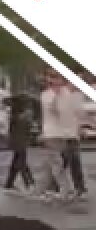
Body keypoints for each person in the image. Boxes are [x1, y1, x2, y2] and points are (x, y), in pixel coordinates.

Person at [38, 70, 84, 199]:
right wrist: (58, 96)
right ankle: (62, 190)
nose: (59, 83)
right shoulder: (46, 95)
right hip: (51, 134)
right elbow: (55, 110)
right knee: (57, 163)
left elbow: (74, 112)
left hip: (63, 134)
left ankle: (46, 190)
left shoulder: (67, 94)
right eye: (55, 79)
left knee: (55, 163)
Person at [5, 95, 35, 192]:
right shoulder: (23, 115)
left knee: (17, 163)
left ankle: (10, 183)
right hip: (21, 141)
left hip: (17, 141)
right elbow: (28, 129)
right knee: (21, 163)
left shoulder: (16, 115)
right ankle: (29, 183)